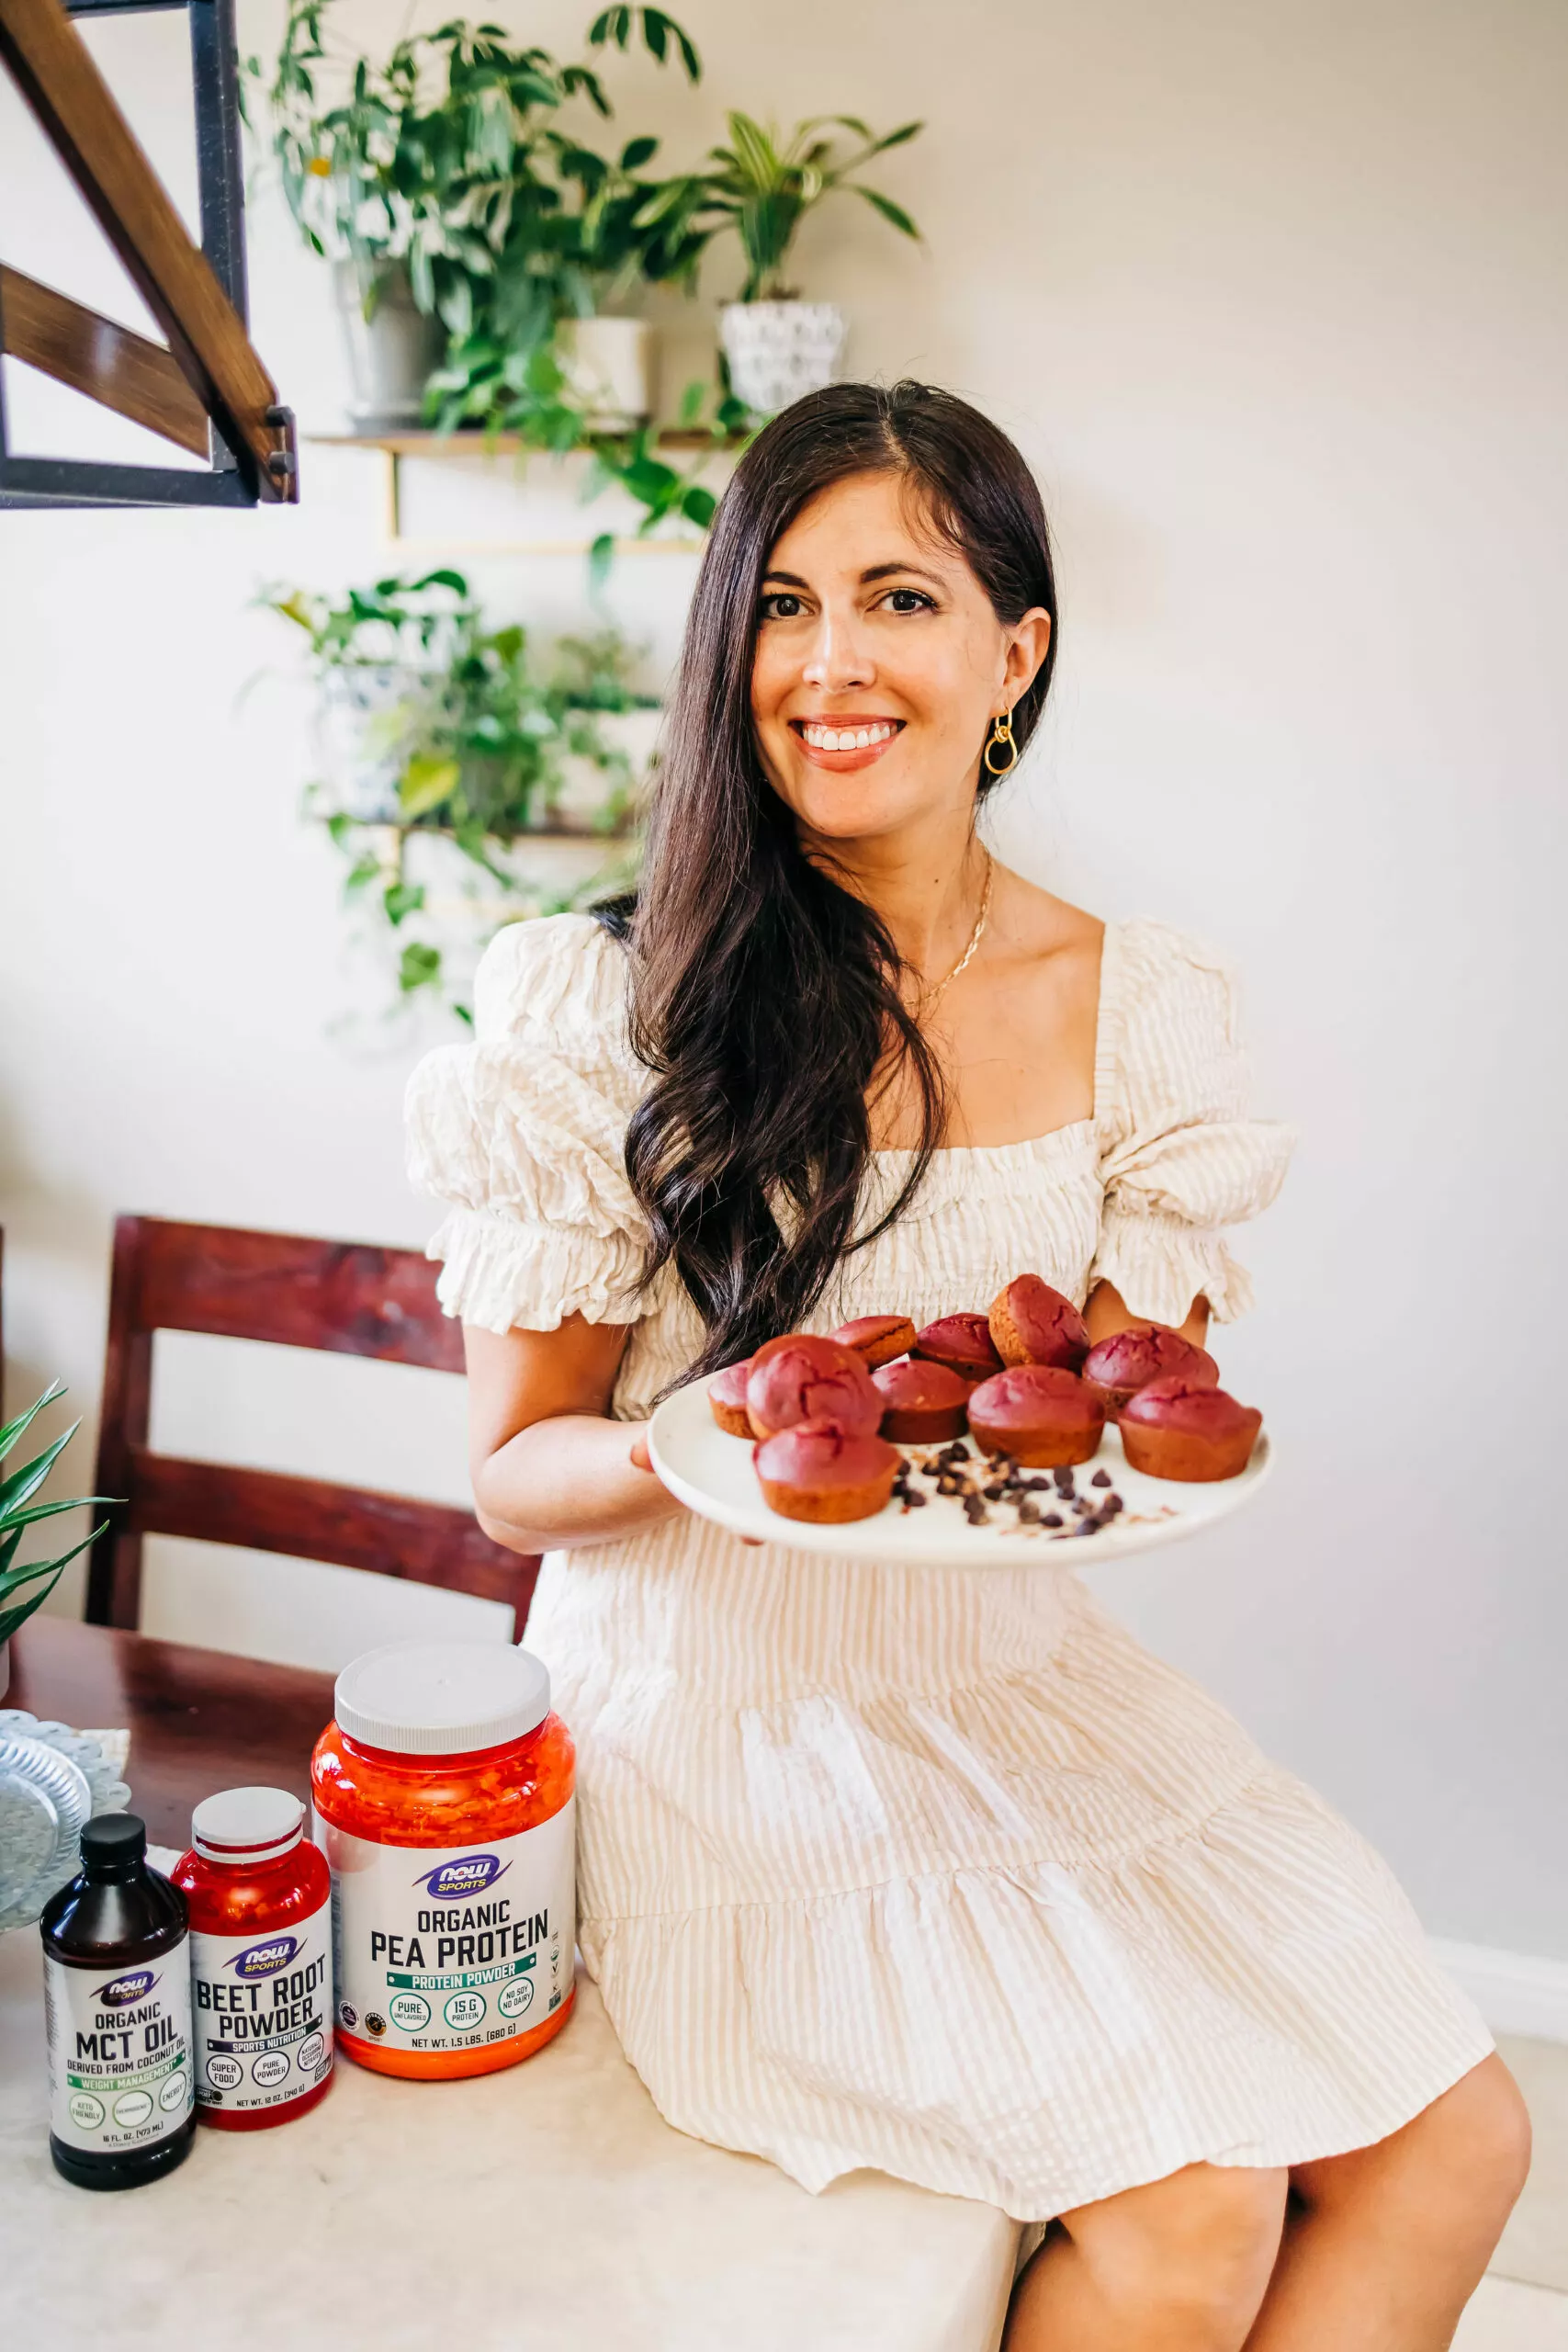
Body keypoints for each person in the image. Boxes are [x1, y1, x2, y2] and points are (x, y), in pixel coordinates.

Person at [406, 381, 1528, 2349]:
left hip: (1016, 1686)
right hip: (718, 1725)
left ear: (1011, 653)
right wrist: (701, 1444)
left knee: (1466, 2139)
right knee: (1197, 2213)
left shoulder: (1140, 1008)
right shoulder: (603, 998)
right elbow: (513, 1472)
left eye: (899, 597)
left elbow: (1107, 1409)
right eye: (781, 601)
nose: (829, 661)